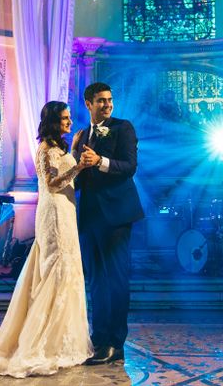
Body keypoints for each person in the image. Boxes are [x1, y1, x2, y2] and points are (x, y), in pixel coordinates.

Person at [0, 101, 98, 377]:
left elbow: (63, 169)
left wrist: (74, 150)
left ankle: (64, 337)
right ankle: (45, 339)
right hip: (55, 213)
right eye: (64, 119)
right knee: (56, 269)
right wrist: (79, 168)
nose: (69, 123)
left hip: (67, 210)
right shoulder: (45, 148)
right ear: (52, 122)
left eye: (69, 118)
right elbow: (52, 183)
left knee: (67, 267)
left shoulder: (58, 147)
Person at [72, 82, 144, 365]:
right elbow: (77, 180)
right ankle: (99, 338)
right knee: (96, 280)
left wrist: (100, 160)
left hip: (117, 216)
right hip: (90, 216)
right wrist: (75, 156)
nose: (107, 105)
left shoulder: (123, 128)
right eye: (101, 101)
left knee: (115, 280)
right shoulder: (83, 134)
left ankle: (116, 342)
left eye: (110, 100)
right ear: (88, 103)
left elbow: (129, 167)